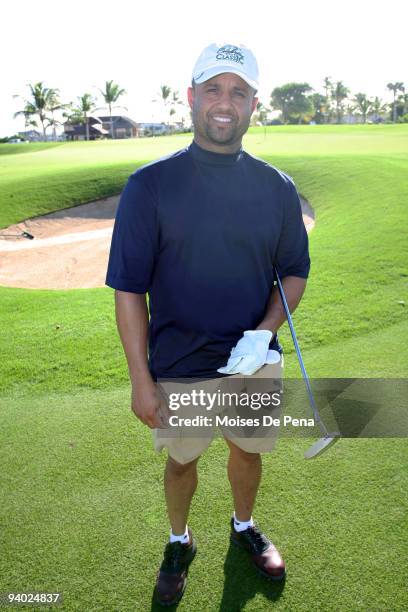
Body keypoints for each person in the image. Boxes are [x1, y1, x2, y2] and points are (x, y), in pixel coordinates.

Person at [106, 42, 310, 606]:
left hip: (251, 363)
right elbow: (129, 289)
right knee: (183, 459)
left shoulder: (276, 188)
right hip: (180, 364)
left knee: (248, 453)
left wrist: (264, 330)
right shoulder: (149, 187)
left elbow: (293, 272)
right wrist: (140, 379)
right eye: (214, 89)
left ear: (253, 105)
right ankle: (180, 539)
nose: (226, 102)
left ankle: (243, 527)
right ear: (191, 97)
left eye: (238, 92)